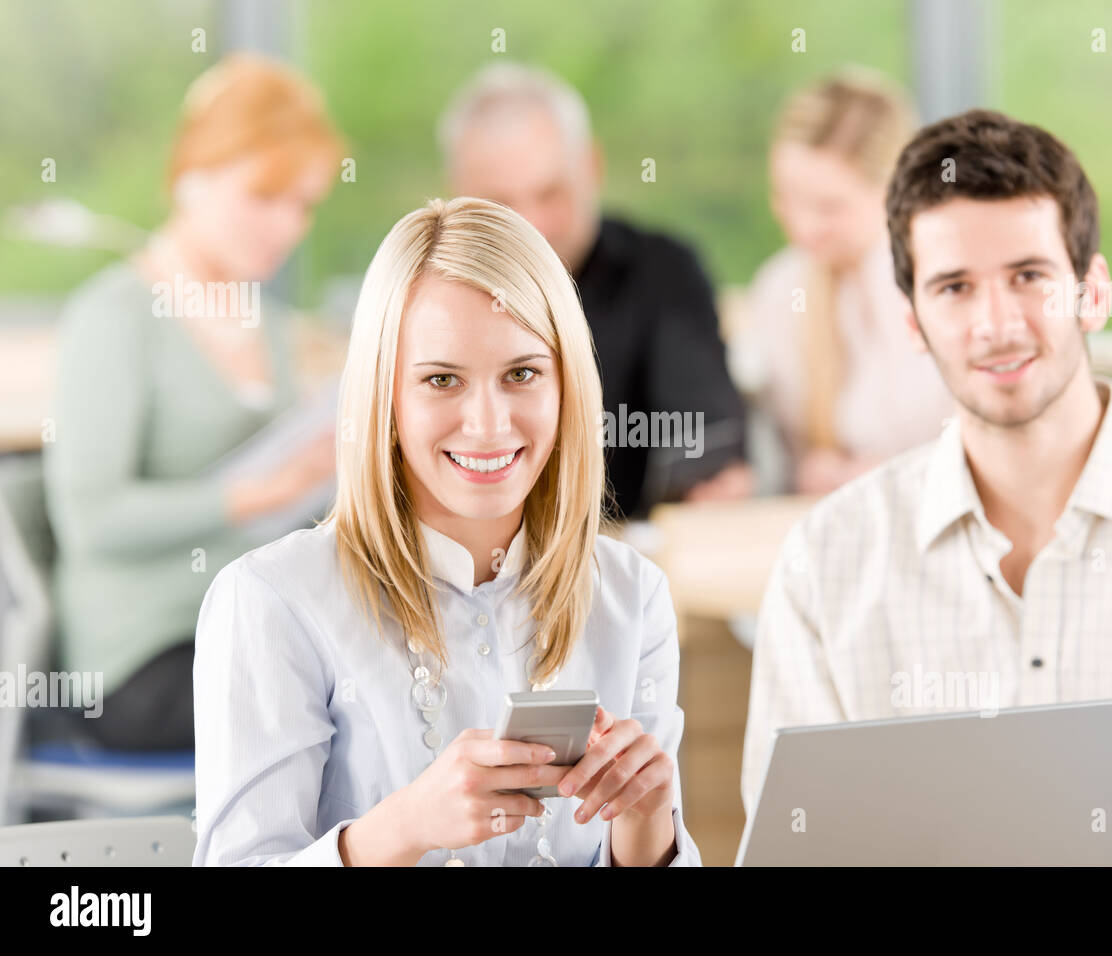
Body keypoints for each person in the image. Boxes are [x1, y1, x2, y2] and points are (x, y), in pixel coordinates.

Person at [742, 109, 1112, 864]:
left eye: (1029, 277)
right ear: (914, 322)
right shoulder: (827, 561)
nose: (995, 324)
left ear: (1093, 292)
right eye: (955, 288)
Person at [192, 197, 702, 867]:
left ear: (566, 385)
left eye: (522, 373)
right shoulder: (271, 602)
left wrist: (647, 831)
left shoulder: (632, 595)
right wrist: (401, 829)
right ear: (386, 399)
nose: (488, 424)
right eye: (441, 380)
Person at [40, 53, 343, 751]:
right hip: (138, 661)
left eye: (303, 204)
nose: (288, 226)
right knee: (342, 705)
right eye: (264, 198)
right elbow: (91, 518)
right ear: (193, 178)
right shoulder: (116, 317)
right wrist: (258, 492)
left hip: (244, 623)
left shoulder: (263, 319)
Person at [438, 62, 753, 520]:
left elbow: (708, 436)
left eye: (551, 194)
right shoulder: (430, 299)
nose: (533, 227)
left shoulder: (663, 273)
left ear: (592, 166)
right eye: (501, 204)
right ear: (458, 194)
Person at [739, 66, 952, 495]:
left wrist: (889, 474)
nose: (803, 226)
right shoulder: (781, 286)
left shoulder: (941, 284)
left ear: (894, 188)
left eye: (829, 207)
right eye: (788, 198)